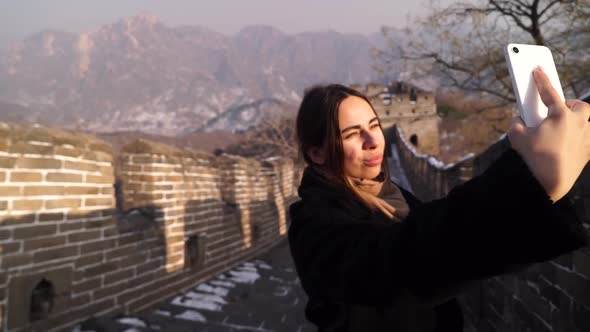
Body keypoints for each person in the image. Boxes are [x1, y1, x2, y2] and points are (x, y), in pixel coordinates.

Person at [287, 67, 590, 332]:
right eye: (352, 134)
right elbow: (401, 259)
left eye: (375, 126)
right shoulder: (313, 227)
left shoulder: (394, 195)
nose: (373, 141)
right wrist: (528, 182)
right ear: (317, 153)